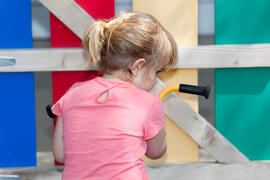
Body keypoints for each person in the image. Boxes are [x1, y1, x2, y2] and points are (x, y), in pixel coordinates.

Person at [52, 10, 177, 180]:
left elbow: (60, 154)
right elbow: (156, 152)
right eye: (156, 71)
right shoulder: (147, 103)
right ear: (137, 67)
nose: (155, 80)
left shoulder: (72, 94)